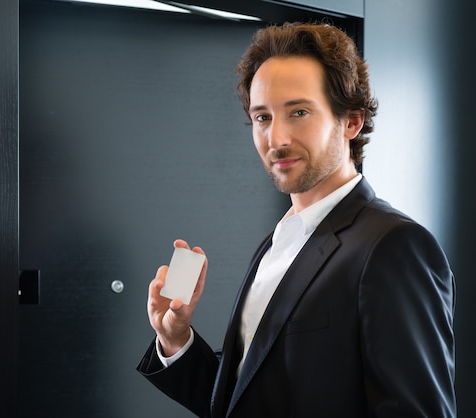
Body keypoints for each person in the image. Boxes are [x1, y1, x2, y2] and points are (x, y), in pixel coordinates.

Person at [136, 22, 456, 418]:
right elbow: (243, 398)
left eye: (299, 112)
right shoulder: (278, 243)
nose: (277, 138)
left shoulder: (394, 246)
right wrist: (175, 338)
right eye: (263, 117)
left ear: (351, 121)